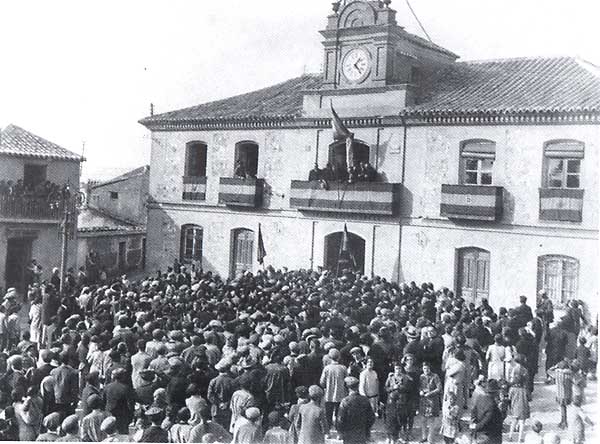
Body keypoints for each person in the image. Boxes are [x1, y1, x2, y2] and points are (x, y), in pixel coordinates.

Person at [336, 376, 375, 444]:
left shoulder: (345, 401)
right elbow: (372, 417)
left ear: (347, 388)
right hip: (362, 434)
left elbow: (340, 420)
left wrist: (340, 432)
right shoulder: (365, 400)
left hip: (349, 434)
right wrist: (367, 429)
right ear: (358, 386)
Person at [319, 348, 347, 434]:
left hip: (329, 395)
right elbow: (346, 381)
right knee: (339, 415)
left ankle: (328, 433)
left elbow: (322, 382)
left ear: (330, 358)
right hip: (340, 395)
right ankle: (339, 432)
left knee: (328, 415)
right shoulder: (343, 368)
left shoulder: (327, 368)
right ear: (339, 357)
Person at [470, 379, 504, 444]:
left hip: (479, 435)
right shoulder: (492, 405)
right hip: (490, 436)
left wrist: (473, 426)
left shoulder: (479, 398)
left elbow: (473, 412)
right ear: (496, 392)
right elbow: (487, 421)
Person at [419, 361, 442, 444]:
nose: (426, 370)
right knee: (423, 420)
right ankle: (424, 437)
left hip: (432, 401)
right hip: (423, 401)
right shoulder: (421, 377)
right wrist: (420, 391)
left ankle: (430, 439)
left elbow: (439, 388)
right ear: (422, 369)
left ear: (430, 368)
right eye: (424, 368)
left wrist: (430, 393)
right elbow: (419, 387)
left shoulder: (435, 376)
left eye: (427, 368)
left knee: (431, 421)